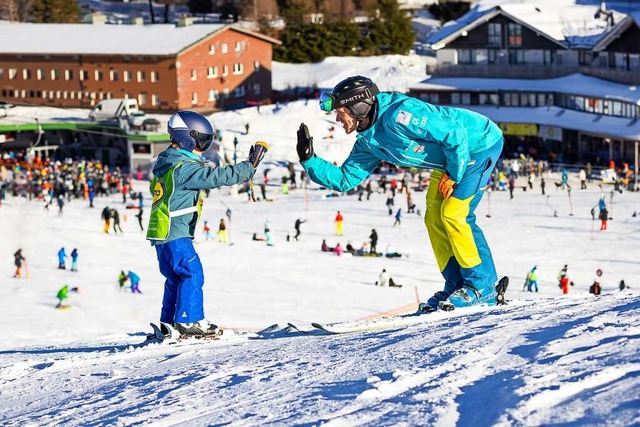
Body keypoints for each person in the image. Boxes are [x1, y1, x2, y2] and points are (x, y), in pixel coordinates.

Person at [297, 76, 505, 312]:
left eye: (340, 112)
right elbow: (346, 179)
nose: (337, 119)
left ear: (358, 107)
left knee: (455, 214)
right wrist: (309, 160)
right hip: (450, 160)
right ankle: (456, 284)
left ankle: (483, 287)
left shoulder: (401, 114)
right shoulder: (369, 140)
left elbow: (455, 134)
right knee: (434, 218)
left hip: (477, 145)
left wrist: (454, 176)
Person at [147, 110, 267, 338]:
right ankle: (188, 321)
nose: (203, 149)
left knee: (175, 277)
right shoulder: (184, 168)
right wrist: (247, 167)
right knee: (192, 273)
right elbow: (215, 177)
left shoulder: (168, 164)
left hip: (162, 233)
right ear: (186, 139)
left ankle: (169, 323)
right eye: (201, 143)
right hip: (175, 232)